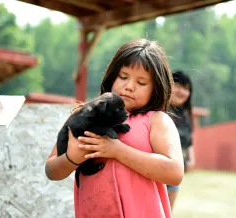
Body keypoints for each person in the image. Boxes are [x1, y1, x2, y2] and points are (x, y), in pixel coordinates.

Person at [45, 38, 184, 218]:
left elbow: (174, 173)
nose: (129, 86)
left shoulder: (157, 121)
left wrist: (117, 150)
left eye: (141, 83)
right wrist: (72, 158)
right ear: (112, 77)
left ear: (156, 88)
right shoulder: (84, 115)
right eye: (123, 77)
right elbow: (51, 170)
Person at [166, 71, 195, 210]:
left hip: (175, 171)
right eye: (178, 85)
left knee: (166, 213)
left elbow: (189, 140)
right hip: (156, 168)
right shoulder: (160, 110)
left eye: (186, 88)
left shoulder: (185, 116)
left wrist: (191, 159)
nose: (182, 91)